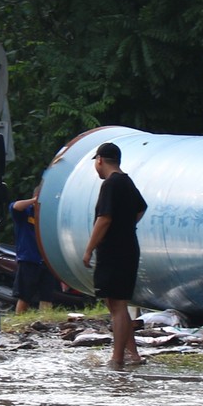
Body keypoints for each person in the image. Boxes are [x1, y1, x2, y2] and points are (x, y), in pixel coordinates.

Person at [81, 142, 147, 370]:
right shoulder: (127, 182)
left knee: (117, 306)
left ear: (99, 160)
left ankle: (116, 359)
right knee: (117, 303)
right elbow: (141, 208)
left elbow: (104, 218)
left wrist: (89, 248)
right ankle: (133, 355)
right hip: (128, 247)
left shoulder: (111, 184)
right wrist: (126, 226)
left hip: (114, 251)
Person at [9, 192, 48, 313]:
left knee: (47, 297)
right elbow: (14, 206)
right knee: (24, 297)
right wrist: (34, 200)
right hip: (29, 259)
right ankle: (20, 322)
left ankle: (46, 323)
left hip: (47, 260)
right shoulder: (25, 212)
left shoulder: (47, 216)